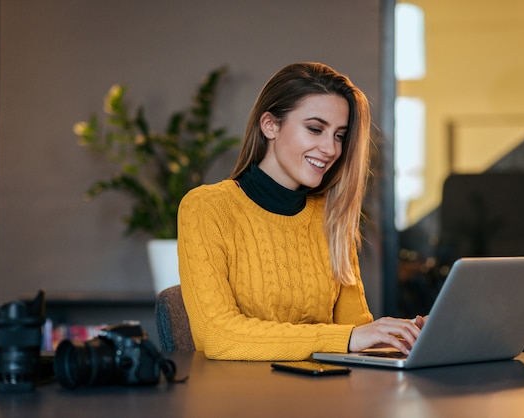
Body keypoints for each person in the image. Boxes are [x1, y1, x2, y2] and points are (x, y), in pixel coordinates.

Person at [177, 62, 426, 361]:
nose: (331, 149)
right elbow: (217, 335)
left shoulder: (330, 216)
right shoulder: (207, 208)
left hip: (323, 397)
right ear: (270, 125)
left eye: (339, 135)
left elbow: (354, 331)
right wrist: (346, 338)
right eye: (315, 129)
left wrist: (405, 335)